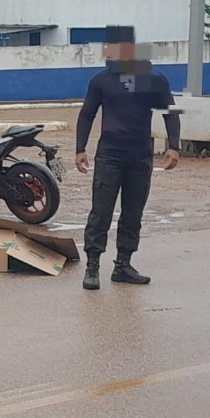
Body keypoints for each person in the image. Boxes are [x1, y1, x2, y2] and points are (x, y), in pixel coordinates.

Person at [76, 25, 181, 290]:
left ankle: (122, 265)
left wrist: (174, 146)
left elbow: (171, 111)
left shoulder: (152, 78)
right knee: (101, 212)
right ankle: (93, 267)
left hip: (139, 157)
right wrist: (80, 149)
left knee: (133, 213)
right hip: (109, 155)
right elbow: (87, 114)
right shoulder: (101, 80)